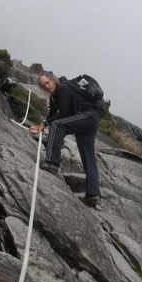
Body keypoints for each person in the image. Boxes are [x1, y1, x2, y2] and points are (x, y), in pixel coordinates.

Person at [29, 73, 101, 207]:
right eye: (43, 85)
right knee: (88, 156)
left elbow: (62, 114)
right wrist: (40, 126)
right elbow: (51, 115)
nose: (47, 86)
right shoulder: (54, 98)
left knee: (57, 125)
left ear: (53, 80)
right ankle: (93, 195)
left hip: (87, 116)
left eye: (48, 82)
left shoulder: (63, 88)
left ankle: (52, 162)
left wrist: (45, 123)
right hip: (90, 119)